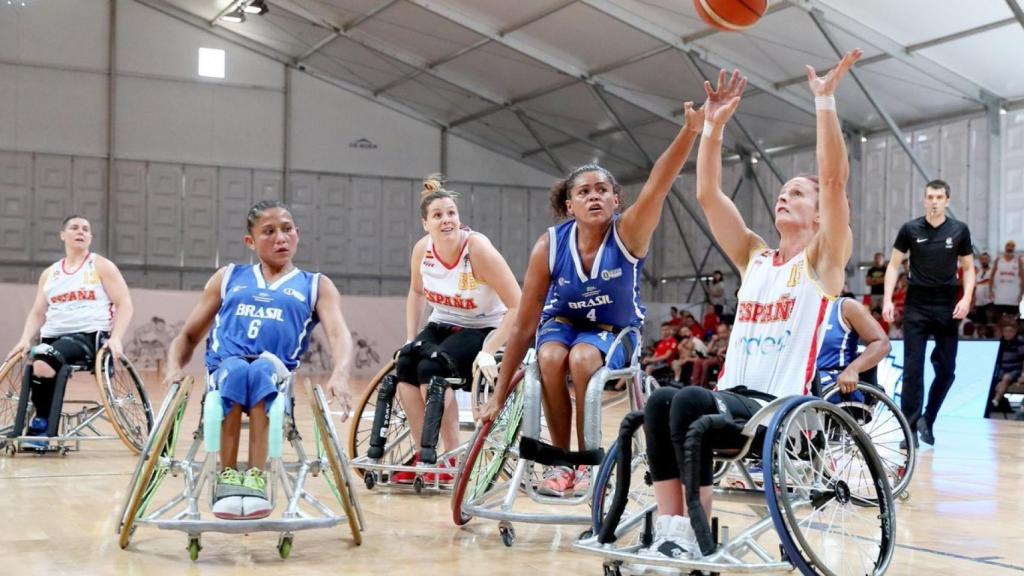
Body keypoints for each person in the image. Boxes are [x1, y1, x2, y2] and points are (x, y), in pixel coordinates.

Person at [641, 51, 861, 560]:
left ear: (819, 213)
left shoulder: (824, 261)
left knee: (692, 402)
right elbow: (708, 194)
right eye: (782, 192)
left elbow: (833, 181)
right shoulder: (755, 258)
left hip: (781, 407)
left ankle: (696, 532)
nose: (785, 197)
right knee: (658, 401)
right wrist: (713, 129)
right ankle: (673, 527)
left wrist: (824, 101)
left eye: (797, 194)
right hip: (737, 396)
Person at [480, 96, 707, 498]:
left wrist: (690, 130)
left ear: (616, 200)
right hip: (562, 326)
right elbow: (524, 324)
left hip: (615, 331)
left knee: (584, 358)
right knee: (549, 357)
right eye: (584, 191)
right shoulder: (548, 245)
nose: (594, 196)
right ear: (570, 206)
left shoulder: (630, 231)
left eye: (603, 189)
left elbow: (658, 184)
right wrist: (498, 397)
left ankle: (588, 462)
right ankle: (561, 459)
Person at [163, 200, 354, 520]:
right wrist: (173, 368)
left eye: (287, 229)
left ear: (297, 234)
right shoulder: (229, 277)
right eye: (269, 232)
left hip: (275, 370)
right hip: (226, 365)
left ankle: (255, 476)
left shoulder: (315, 285)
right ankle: (226, 476)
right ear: (250, 242)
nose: (281, 237)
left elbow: (338, 334)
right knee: (238, 371)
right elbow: (188, 336)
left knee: (261, 372)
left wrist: (341, 373)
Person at [386, 177, 520, 485]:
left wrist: (489, 349)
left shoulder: (478, 250)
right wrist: (410, 337)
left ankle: (450, 456)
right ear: (425, 223)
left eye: (451, 213)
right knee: (406, 363)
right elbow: (417, 293)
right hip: (442, 322)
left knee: (434, 368)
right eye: (438, 215)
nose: (447, 220)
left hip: (483, 324)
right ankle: (424, 454)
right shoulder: (423, 250)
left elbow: (518, 306)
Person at [8, 215, 133, 447]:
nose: (81, 232)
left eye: (86, 229)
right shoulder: (50, 274)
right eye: (74, 228)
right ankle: (24, 423)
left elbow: (125, 303)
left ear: (90, 237)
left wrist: (116, 338)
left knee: (44, 358)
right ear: (63, 235)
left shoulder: (100, 265)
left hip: (87, 337)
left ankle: (41, 424)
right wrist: (25, 339)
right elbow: (37, 312)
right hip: (52, 338)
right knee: (38, 358)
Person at [882, 179, 974, 447]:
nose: (934, 201)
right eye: (930, 197)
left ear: (947, 200)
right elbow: (893, 265)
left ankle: (928, 419)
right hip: (917, 306)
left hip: (947, 305)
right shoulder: (910, 229)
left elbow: (968, 268)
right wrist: (887, 300)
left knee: (947, 370)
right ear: (924, 200)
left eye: (939, 197)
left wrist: (966, 298)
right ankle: (909, 429)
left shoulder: (959, 230)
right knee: (912, 369)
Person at [816, 297, 891, 401]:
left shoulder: (845, 307)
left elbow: (882, 343)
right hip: (805, 378)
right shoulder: (797, 311)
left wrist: (853, 369)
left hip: (835, 381)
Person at [987, 323, 1024, 414]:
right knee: (993, 380)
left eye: (1010, 331)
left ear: (1015, 332)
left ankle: (995, 400)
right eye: (1006, 331)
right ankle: (994, 403)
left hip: (1015, 370)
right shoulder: (1001, 342)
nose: (1008, 333)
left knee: (1006, 377)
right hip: (1002, 370)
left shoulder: (1020, 342)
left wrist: (1023, 375)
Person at [992, 241, 1022, 321]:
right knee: (999, 320)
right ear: (1005, 248)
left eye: (1012, 247)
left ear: (1014, 249)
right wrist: (990, 291)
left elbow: (1022, 278)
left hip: (1013, 297)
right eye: (1008, 246)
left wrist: (1021, 294)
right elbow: (991, 277)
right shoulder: (998, 260)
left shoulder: (1018, 261)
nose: (1010, 248)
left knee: (1012, 321)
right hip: (999, 297)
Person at [973, 252, 994, 326]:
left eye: (986, 259)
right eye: (982, 259)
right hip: (978, 302)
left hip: (989, 302)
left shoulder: (993, 272)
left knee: (990, 323)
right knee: (979, 324)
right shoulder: (978, 272)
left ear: (989, 260)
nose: (984, 261)